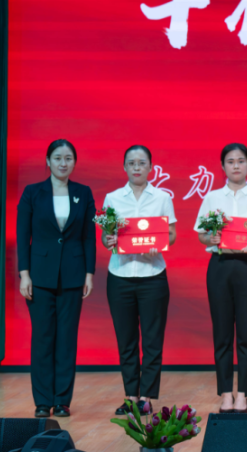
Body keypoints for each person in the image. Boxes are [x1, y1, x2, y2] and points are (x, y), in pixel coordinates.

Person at [16, 139, 96, 418]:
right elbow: (23, 235)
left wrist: (89, 273)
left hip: (73, 275)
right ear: (48, 161)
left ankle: (62, 400)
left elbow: (88, 237)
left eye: (69, 158)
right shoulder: (32, 192)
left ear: (75, 162)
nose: (64, 163)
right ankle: (42, 401)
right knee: (42, 338)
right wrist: (24, 275)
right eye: (58, 158)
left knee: (66, 339)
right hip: (39, 276)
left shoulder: (83, 192)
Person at [194, 143, 247, 414]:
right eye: (230, 161)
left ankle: (243, 394)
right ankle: (226, 393)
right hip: (219, 267)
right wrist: (211, 238)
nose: (236, 166)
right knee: (222, 333)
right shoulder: (212, 197)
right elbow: (201, 234)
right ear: (223, 166)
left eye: (241, 161)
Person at [101, 145, 177, 416]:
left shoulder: (162, 197)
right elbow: (106, 236)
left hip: (152, 275)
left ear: (151, 167)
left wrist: (160, 245)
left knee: (153, 339)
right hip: (120, 276)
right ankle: (131, 396)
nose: (136, 167)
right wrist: (109, 240)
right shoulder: (112, 198)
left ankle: (146, 396)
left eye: (142, 163)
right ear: (124, 167)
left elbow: (171, 234)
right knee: (127, 339)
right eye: (131, 163)